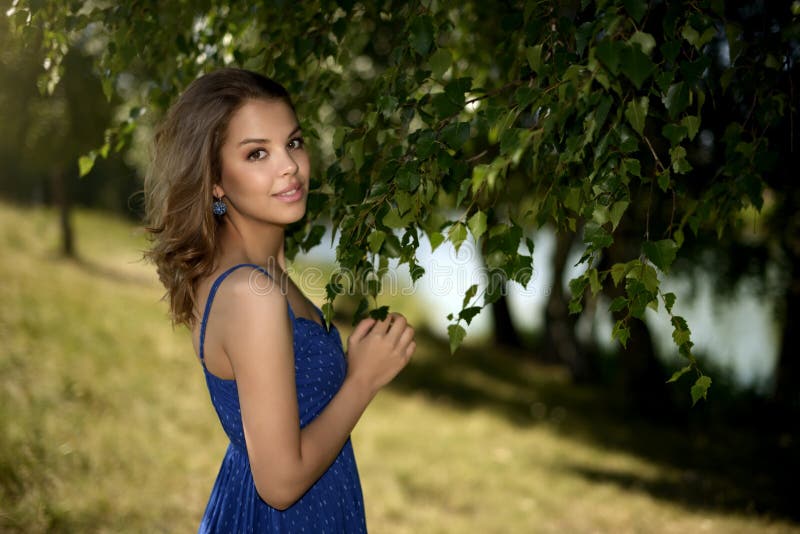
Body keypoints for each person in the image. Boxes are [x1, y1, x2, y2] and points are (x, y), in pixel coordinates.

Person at [144, 68, 416, 533]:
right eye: (256, 153)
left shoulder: (255, 273)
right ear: (216, 181)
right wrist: (364, 380)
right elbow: (281, 482)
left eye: (292, 143)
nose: (288, 166)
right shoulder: (253, 293)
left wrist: (349, 367)